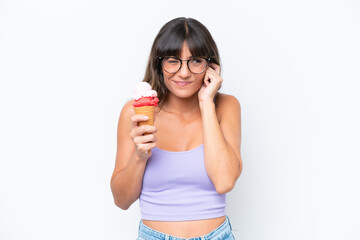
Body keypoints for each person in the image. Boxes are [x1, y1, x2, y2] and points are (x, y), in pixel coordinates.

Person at [110, 17, 242, 240]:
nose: (183, 73)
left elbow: (224, 181)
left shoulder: (226, 106)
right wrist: (140, 156)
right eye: (173, 60)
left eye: (195, 61)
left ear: (210, 66)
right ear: (159, 64)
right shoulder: (134, 112)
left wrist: (206, 103)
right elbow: (121, 200)